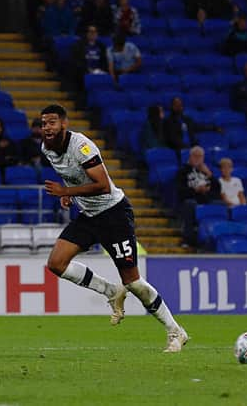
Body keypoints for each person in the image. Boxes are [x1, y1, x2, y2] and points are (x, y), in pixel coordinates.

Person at [40, 104, 188, 352]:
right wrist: (70, 196)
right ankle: (110, 291)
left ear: (64, 124)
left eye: (52, 122)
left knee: (134, 283)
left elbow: (103, 186)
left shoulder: (82, 146)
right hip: (89, 215)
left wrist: (66, 191)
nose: (47, 128)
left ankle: (176, 331)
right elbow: (74, 175)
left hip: (114, 214)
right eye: (43, 123)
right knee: (56, 263)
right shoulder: (47, 149)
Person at [176, 146, 221, 246]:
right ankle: (188, 239)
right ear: (190, 157)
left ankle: (215, 239)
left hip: (206, 199)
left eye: (200, 156)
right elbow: (180, 191)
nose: (197, 159)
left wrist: (209, 174)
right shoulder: (183, 171)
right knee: (190, 204)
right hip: (191, 199)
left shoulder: (206, 172)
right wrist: (195, 190)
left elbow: (218, 189)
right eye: (195, 156)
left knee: (218, 204)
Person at [70, 24, 108, 91]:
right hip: (83, 73)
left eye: (95, 32)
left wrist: (99, 70)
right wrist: (88, 70)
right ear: (87, 33)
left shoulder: (102, 46)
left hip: (98, 73)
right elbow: (76, 61)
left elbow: (104, 62)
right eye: (91, 31)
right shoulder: (78, 45)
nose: (93, 34)